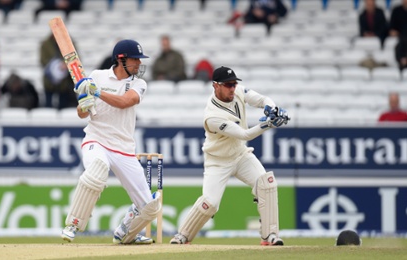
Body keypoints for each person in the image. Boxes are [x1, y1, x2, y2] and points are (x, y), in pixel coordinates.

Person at [170, 66, 290, 246]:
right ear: (215, 86)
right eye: (228, 85)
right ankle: (183, 236)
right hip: (217, 162)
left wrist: (272, 109)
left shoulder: (239, 92)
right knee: (209, 204)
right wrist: (269, 124)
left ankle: (269, 235)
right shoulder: (212, 116)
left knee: (267, 183)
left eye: (234, 84)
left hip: (241, 155)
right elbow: (245, 134)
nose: (232, 88)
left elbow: (263, 99)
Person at [61, 39, 161, 245]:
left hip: (124, 148)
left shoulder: (138, 83)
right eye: (136, 60)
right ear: (121, 59)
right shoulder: (97, 76)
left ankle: (125, 233)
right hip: (96, 139)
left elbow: (125, 102)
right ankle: (73, 224)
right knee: (97, 170)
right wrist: (84, 102)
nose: (139, 64)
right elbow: (82, 114)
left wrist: (96, 92)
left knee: (151, 208)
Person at [39, 34, 77, 109]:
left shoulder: (69, 43)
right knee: (48, 106)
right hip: (49, 80)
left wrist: (66, 64)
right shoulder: (46, 44)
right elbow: (43, 61)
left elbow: (75, 58)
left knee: (64, 105)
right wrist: (55, 65)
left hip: (65, 82)